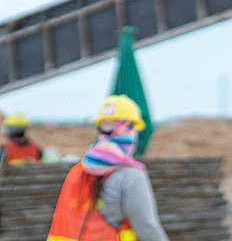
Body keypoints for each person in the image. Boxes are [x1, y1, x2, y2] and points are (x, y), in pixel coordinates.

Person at [47, 94, 169, 241]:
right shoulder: (131, 175)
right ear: (124, 128)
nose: (135, 135)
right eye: (134, 129)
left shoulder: (78, 171)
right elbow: (147, 228)